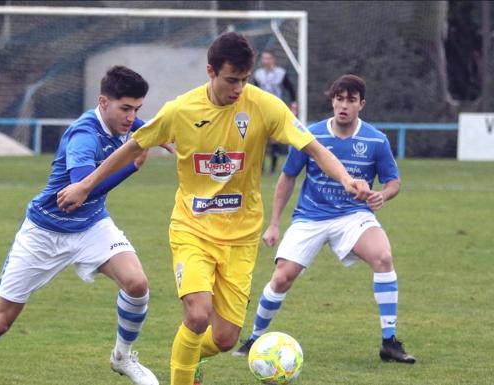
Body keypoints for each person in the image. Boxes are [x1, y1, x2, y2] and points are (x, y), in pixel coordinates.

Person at [56, 33, 371, 385]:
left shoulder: (265, 107)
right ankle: (183, 375)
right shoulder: (181, 110)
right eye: (231, 80)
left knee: (225, 338)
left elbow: (313, 147)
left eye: (245, 80)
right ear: (211, 71)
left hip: (241, 238)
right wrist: (85, 184)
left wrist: (345, 179)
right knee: (197, 314)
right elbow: (131, 148)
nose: (239, 88)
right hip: (193, 230)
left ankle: (187, 357)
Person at [0, 66, 159, 385]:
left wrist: (149, 130)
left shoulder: (119, 117)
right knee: (1, 320)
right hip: (44, 232)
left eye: (136, 109)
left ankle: (123, 356)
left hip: (91, 226)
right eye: (126, 109)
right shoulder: (83, 136)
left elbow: (132, 125)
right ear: (103, 102)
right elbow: (80, 191)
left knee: (137, 283)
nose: (130, 117)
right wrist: (132, 164)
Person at [232, 74, 416, 364]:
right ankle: (254, 338)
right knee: (281, 278)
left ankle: (389, 343)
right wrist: (275, 223)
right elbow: (287, 177)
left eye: (350, 100)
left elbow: (394, 181)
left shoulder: (375, 140)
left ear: (361, 104)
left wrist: (383, 194)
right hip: (310, 217)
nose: (343, 105)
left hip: (353, 216)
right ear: (332, 100)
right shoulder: (310, 135)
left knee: (383, 257)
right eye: (339, 99)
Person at [253, 50, 298, 175]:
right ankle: (260, 169)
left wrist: (293, 104)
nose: (265, 61)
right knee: (259, 138)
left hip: (276, 109)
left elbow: (290, 89)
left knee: (274, 140)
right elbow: (253, 90)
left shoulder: (281, 73)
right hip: (261, 110)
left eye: (268, 58)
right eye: (264, 58)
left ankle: (272, 169)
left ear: (273, 59)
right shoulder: (258, 74)